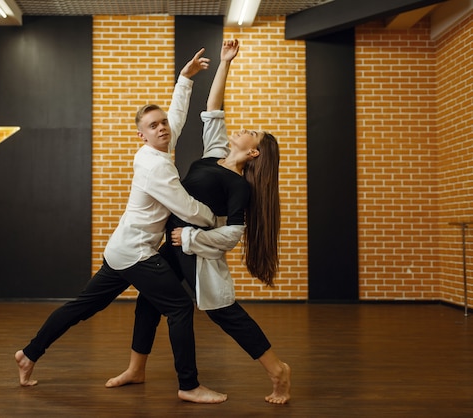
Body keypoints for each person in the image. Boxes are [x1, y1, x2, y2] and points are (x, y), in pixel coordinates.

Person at [15, 48, 228, 404]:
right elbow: (188, 209)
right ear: (140, 136)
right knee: (178, 307)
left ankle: (29, 354)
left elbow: (175, 114)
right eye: (152, 126)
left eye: (162, 124)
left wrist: (185, 78)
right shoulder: (155, 167)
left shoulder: (157, 149)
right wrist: (216, 220)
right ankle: (189, 385)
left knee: (86, 306)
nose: (162, 128)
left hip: (122, 248)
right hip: (136, 253)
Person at [105, 39, 291, 405]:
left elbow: (234, 233)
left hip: (193, 251)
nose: (243, 128)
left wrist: (190, 240)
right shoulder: (214, 155)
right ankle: (135, 368)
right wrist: (225, 63)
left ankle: (278, 370)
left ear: (253, 152)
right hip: (174, 246)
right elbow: (213, 110)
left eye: (250, 132)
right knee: (147, 302)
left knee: (226, 315)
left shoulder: (240, 187)